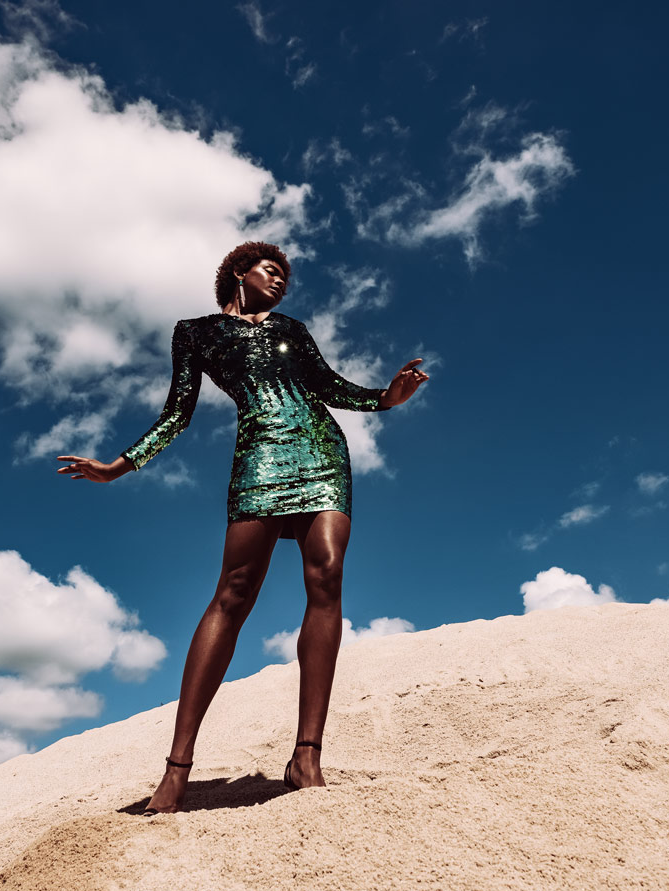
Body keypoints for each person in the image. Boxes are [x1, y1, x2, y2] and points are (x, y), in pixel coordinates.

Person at [57, 241, 428, 814]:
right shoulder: (195, 333)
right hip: (259, 457)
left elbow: (329, 386)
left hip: (322, 454)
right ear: (239, 272)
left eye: (284, 276)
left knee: (327, 577)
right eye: (270, 270)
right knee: (233, 594)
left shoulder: (293, 329)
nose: (280, 280)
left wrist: (386, 399)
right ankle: (177, 768)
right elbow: (177, 412)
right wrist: (118, 467)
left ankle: (307, 757)